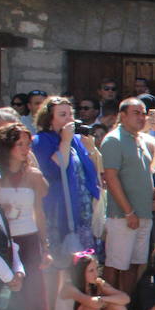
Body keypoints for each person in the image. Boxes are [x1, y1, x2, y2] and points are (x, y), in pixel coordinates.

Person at [0, 124, 57, 310]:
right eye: (20, 144)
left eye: (28, 144)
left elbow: (39, 212)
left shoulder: (34, 175)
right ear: (6, 146)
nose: (25, 149)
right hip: (2, 243)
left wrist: (44, 245)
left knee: (33, 301)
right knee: (6, 302)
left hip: (28, 241)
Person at [32, 97, 101, 261]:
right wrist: (65, 141)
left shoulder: (76, 141)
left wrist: (91, 147)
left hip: (82, 207)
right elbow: (54, 169)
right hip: (59, 207)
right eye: (63, 115)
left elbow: (93, 169)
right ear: (49, 119)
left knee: (85, 260)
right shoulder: (41, 141)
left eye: (71, 114)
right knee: (63, 260)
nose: (70, 119)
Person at [100, 97, 155, 293]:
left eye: (143, 113)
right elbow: (111, 178)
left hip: (143, 215)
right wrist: (128, 211)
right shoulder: (114, 140)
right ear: (122, 116)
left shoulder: (140, 139)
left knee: (133, 265)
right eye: (136, 113)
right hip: (123, 216)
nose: (141, 117)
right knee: (115, 265)